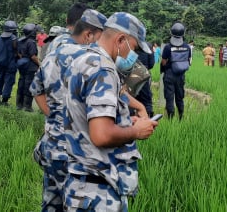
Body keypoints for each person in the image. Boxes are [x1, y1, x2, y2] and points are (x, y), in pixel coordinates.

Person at [62, 12, 158, 211]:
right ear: (121, 39)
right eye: (135, 48)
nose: (134, 55)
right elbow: (102, 134)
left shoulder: (83, 59)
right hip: (97, 190)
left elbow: (90, 117)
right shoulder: (103, 70)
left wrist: (126, 120)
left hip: (80, 185)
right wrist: (136, 131)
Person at [31, 9, 107, 211]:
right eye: (101, 37)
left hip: (52, 146)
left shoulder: (52, 55)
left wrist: (53, 115)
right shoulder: (92, 60)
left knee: (51, 202)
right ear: (89, 34)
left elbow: (36, 90)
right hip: (77, 152)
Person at [161, 22, 192, 120]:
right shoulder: (187, 47)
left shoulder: (168, 47)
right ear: (183, 34)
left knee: (169, 98)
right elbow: (189, 60)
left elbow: (163, 62)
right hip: (181, 75)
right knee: (180, 97)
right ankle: (181, 117)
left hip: (170, 75)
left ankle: (170, 119)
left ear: (172, 33)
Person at [0, 20, 19, 105]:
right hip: (11, 64)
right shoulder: (14, 39)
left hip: (0, 64)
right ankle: (4, 100)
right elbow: (18, 53)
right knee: (9, 82)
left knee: (0, 80)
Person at [16, 23, 40, 111]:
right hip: (30, 66)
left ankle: (19, 104)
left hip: (22, 65)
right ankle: (27, 106)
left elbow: (18, 53)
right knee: (28, 85)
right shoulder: (31, 42)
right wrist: (40, 64)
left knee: (21, 83)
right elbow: (33, 56)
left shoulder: (20, 41)